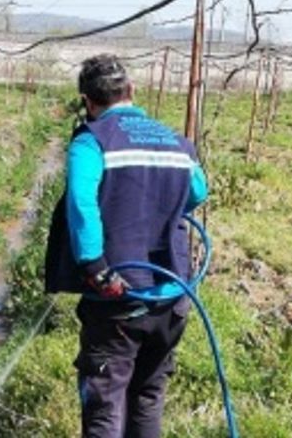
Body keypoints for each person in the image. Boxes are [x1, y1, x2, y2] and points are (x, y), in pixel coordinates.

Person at [44, 54, 208, 438]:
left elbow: (81, 204)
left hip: (118, 297)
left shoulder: (92, 142)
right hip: (172, 298)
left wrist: (95, 267)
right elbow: (197, 192)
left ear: (87, 100)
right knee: (147, 397)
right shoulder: (177, 143)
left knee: (105, 404)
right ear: (131, 91)